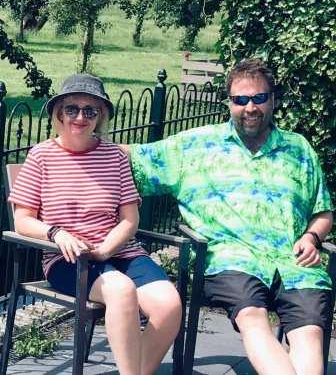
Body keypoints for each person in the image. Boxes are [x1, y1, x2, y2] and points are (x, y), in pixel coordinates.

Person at [121, 59, 333, 375]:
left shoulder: (298, 148)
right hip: (231, 260)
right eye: (240, 100)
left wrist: (312, 236)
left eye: (259, 98)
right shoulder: (195, 146)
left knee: (310, 332)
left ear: (272, 100)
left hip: (294, 262)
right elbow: (133, 157)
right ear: (229, 102)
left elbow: (324, 211)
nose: (250, 107)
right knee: (252, 316)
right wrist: (73, 140)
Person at [8, 74, 181, 375]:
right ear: (58, 113)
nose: (80, 117)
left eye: (91, 110)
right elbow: (22, 221)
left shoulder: (114, 156)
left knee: (169, 305)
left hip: (120, 251)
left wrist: (106, 249)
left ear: (100, 116)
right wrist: (56, 233)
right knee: (121, 290)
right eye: (72, 108)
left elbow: (130, 219)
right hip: (69, 258)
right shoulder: (41, 156)